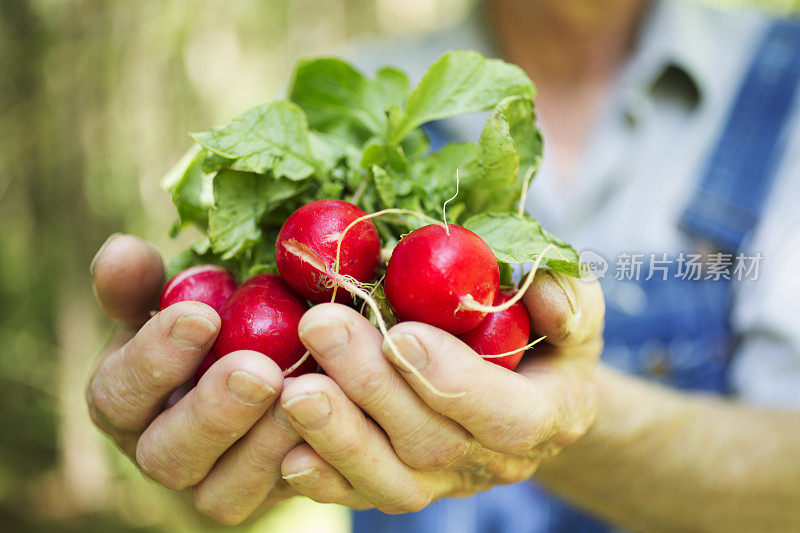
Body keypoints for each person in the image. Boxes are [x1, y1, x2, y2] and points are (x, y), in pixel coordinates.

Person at [86, 0, 800, 531]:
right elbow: (244, 456)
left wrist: (569, 422)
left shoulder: (784, 88)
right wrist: (185, 455)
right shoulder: (361, 99)